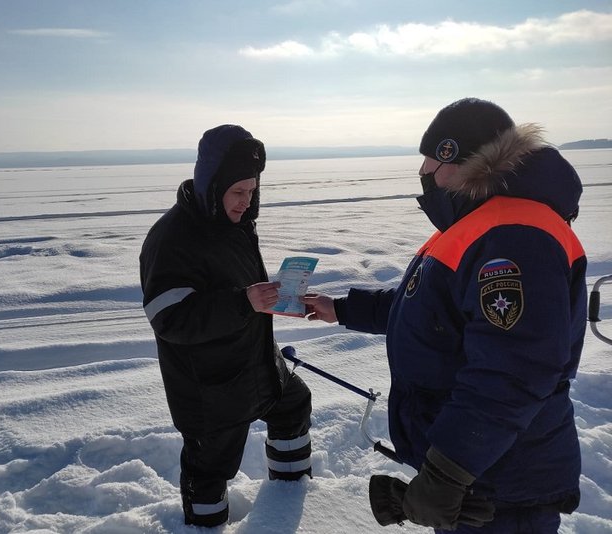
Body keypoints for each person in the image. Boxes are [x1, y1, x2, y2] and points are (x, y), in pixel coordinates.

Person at [303, 98, 587, 533]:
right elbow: (434, 310)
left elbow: (513, 369)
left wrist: (447, 472)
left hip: (498, 483)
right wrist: (342, 309)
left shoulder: (515, 235)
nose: (422, 174)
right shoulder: (480, 225)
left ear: (458, 158)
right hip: (477, 477)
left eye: (430, 161)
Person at [140, 124, 313, 527]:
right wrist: (244, 302)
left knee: (293, 405)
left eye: (252, 191)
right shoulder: (172, 238)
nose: (246, 201)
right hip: (211, 387)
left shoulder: (234, 224)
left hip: (257, 365)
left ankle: (289, 498)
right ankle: (206, 526)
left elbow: (242, 291)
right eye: (238, 192)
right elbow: (170, 317)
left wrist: (276, 298)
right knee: (210, 471)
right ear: (211, 182)